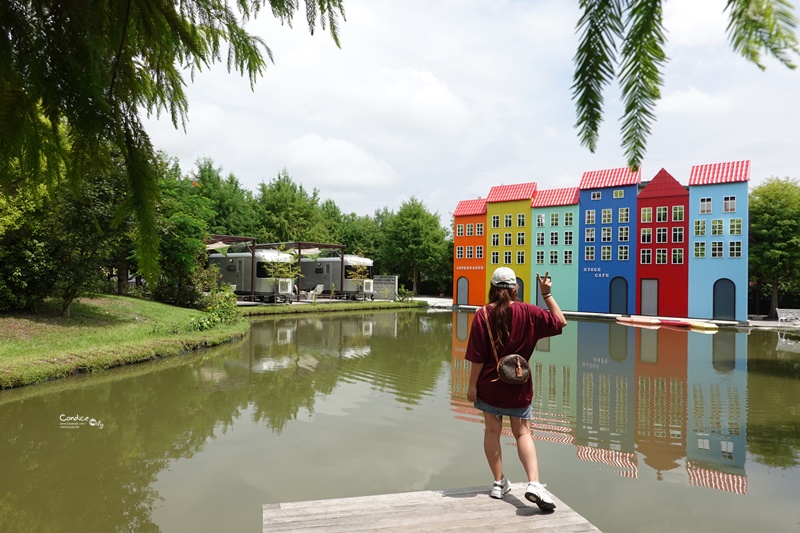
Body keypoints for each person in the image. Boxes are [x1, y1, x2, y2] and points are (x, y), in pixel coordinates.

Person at [465, 266, 567, 512]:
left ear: (492, 287)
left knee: (492, 431)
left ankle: (499, 483)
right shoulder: (530, 312)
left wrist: (471, 386)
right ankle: (533, 484)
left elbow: (477, 357)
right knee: (523, 433)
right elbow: (560, 322)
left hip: (489, 384)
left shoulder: (482, 315)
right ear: (515, 288)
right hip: (518, 385)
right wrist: (546, 294)